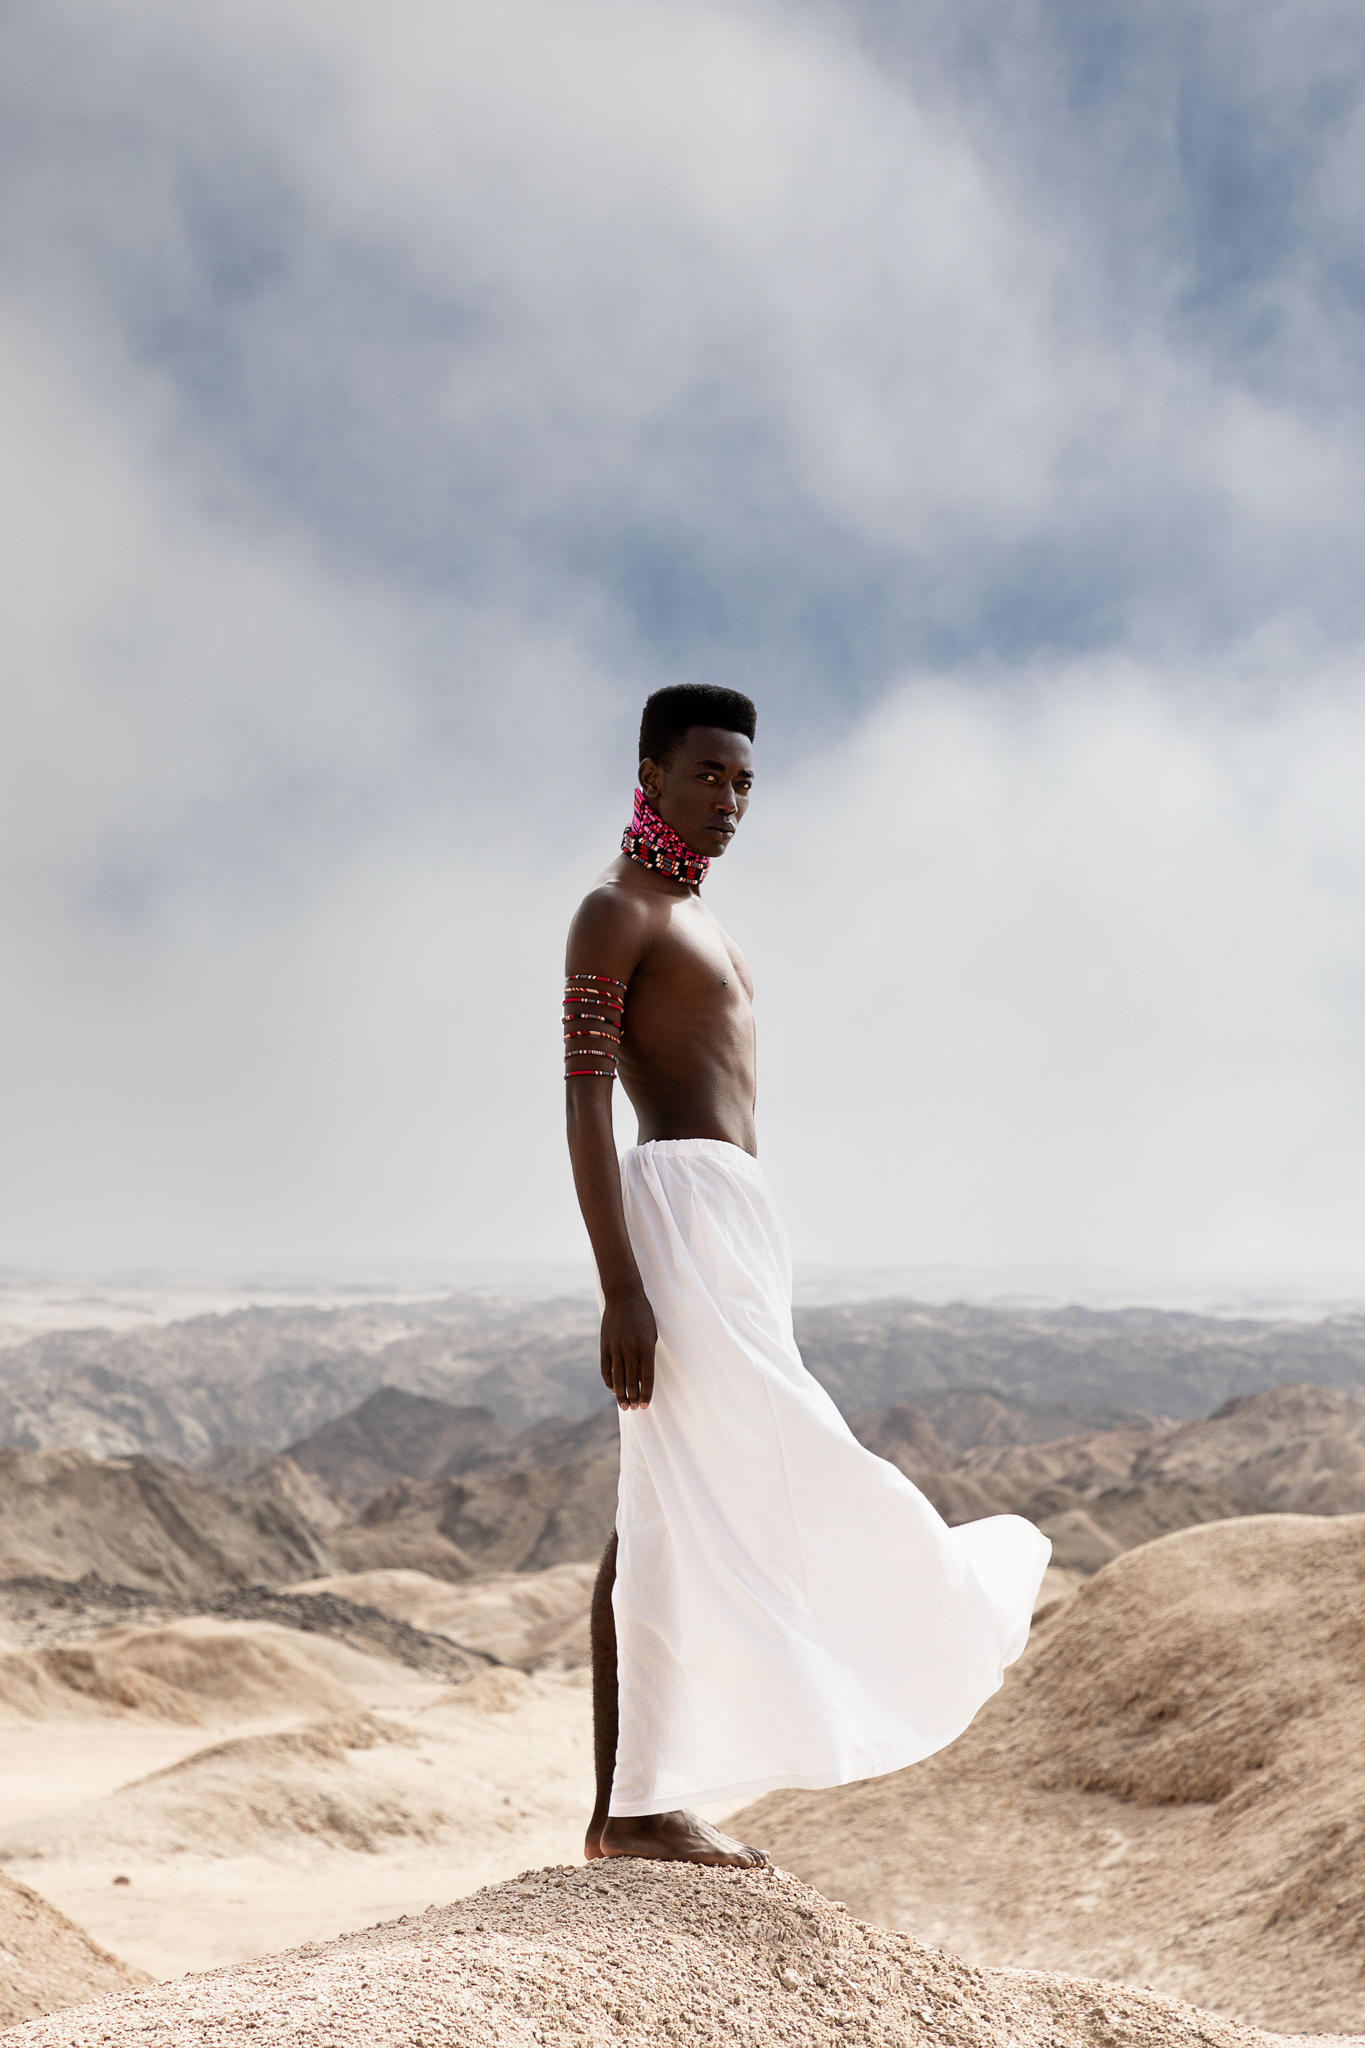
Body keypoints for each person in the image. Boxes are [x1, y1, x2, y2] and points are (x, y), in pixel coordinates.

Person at [564, 683, 1050, 1868]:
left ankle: (633, 1804)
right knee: (777, 1466)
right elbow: (582, 1103)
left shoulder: (695, 914)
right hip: (677, 1216)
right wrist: (621, 1284)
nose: (728, 801)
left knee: (666, 1501)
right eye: (706, 775)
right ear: (650, 773)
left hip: (735, 1220)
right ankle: (633, 1803)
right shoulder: (615, 910)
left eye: (744, 782)